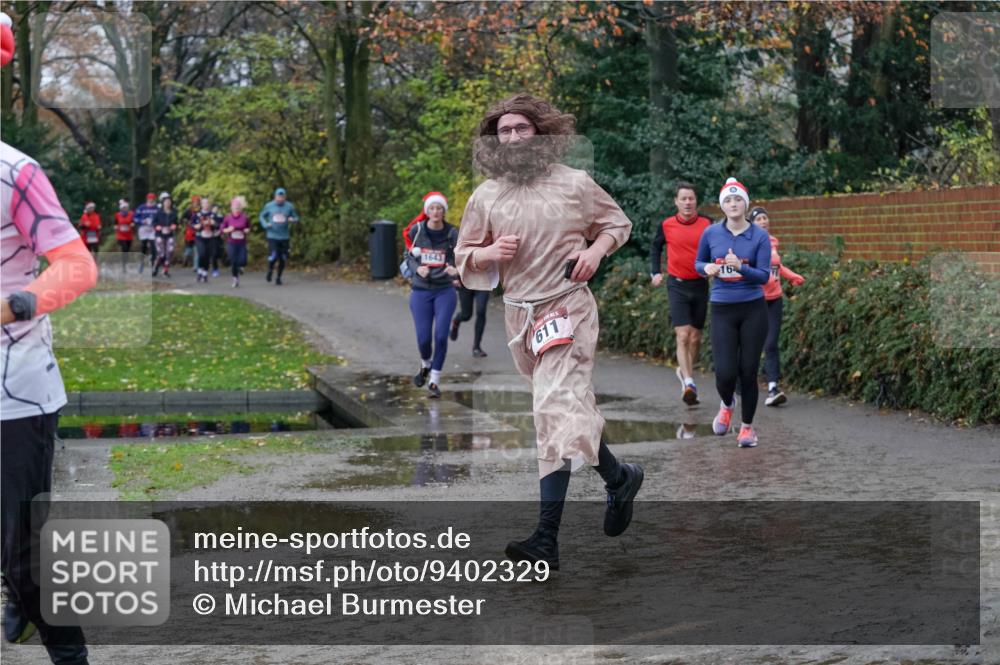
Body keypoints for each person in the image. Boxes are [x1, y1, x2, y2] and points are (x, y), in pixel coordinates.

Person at [455, 93, 643, 570]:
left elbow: (616, 223)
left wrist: (595, 253)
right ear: (494, 142)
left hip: (568, 308)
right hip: (520, 318)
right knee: (565, 412)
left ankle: (546, 538)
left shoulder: (575, 184)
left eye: (521, 128)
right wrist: (490, 253)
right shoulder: (486, 195)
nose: (513, 137)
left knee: (551, 410)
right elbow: (463, 257)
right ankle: (619, 478)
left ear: (540, 133)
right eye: (504, 131)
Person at [1, 12, 97, 664]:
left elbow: (76, 265)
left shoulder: (16, 173)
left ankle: (68, 651)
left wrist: (13, 304)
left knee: (23, 559)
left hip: (15, 396)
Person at [695, 178, 772, 448]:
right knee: (725, 372)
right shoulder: (711, 233)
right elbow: (698, 262)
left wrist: (740, 266)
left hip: (753, 307)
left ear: (745, 204)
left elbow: (763, 276)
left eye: (738, 199)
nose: (733, 204)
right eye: (728, 200)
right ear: (722, 205)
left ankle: (747, 428)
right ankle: (727, 404)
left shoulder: (759, 236)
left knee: (748, 371)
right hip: (722, 308)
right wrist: (706, 269)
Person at [649, 181, 712, 406]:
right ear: (676, 201)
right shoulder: (666, 225)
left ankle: (684, 371)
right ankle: (688, 382)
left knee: (696, 338)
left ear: (696, 201)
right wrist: (655, 271)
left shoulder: (707, 223)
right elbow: (656, 247)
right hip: (676, 284)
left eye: (691, 198)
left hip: (700, 284)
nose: (687, 202)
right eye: (683, 198)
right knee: (683, 335)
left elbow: (717, 246)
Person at [748, 206, 805, 407]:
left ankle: (773, 387)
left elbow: (777, 267)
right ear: (752, 223)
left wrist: (792, 276)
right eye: (759, 219)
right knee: (752, 344)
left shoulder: (772, 242)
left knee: (771, 343)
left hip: (775, 299)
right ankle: (743, 381)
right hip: (756, 300)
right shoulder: (748, 243)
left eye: (765, 218)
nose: (763, 222)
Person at [404, 192, 459, 398]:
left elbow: (462, 255)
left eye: (440, 208)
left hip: (445, 290)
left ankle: (434, 380)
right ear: (427, 211)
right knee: (424, 339)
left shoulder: (453, 232)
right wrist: (417, 268)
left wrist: (456, 268)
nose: (436, 212)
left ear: (444, 211)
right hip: (421, 291)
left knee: (441, 336)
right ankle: (425, 364)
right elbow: (408, 256)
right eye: (432, 208)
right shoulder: (417, 231)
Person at [259, 187, 300, 285]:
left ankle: (278, 277)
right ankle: (270, 270)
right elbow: (261, 216)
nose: (280, 199)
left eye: (282, 197)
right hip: (272, 235)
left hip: (284, 236)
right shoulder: (269, 206)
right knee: (273, 256)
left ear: (285, 197)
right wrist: (265, 224)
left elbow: (296, 217)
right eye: (279, 197)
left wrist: (293, 220)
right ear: (275, 196)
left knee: (283, 257)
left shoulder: (289, 206)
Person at [450, 281, 490, 358]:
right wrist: (454, 278)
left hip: (483, 281)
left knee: (481, 311)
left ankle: (476, 347)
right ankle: (456, 321)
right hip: (465, 281)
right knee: (466, 315)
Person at [222, 196, 250, 288]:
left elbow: (248, 227)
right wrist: (228, 230)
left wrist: (246, 230)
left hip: (241, 242)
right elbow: (222, 229)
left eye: (238, 207)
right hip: (232, 242)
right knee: (233, 260)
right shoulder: (228, 218)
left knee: (243, 260)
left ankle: (240, 267)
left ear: (241, 208)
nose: (237, 209)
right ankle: (235, 278)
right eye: (235, 207)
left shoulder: (245, 217)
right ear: (231, 208)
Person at [151, 193, 178, 278]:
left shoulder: (174, 212)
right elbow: (154, 222)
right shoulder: (158, 212)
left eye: (169, 202)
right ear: (163, 203)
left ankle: (166, 270)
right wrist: (157, 226)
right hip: (159, 235)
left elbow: (176, 223)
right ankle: (155, 267)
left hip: (169, 234)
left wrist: (175, 226)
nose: (167, 203)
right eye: (166, 202)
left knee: (169, 251)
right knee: (161, 253)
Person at [134, 191, 159, 272]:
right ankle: (141, 264)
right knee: (143, 247)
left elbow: (160, 218)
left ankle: (153, 265)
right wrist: (142, 221)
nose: (151, 200)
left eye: (152, 199)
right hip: (143, 229)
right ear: (147, 199)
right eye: (149, 198)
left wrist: (156, 223)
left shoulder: (157, 208)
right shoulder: (142, 207)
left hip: (153, 230)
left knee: (153, 247)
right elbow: (135, 218)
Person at [193, 196, 216, 283]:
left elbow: (219, 226)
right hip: (200, 237)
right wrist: (196, 226)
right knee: (201, 254)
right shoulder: (197, 214)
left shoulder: (212, 215)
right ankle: (199, 271)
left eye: (207, 203)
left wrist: (214, 224)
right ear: (201, 205)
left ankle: (205, 273)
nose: (206, 205)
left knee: (207, 256)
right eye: (204, 203)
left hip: (210, 237)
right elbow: (192, 224)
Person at [113, 199, 134, 272]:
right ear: (121, 208)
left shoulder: (131, 214)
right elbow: (115, 223)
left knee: (127, 250)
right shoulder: (117, 215)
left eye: (126, 208)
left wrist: (132, 224)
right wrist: (115, 226)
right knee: (124, 249)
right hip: (120, 235)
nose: (125, 209)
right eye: (123, 208)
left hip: (129, 235)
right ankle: (123, 266)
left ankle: (126, 263)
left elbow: (133, 221)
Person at [181, 195, 200, 269]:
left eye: (197, 201)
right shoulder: (188, 210)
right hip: (189, 232)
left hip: (198, 232)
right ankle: (185, 257)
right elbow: (182, 219)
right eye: (195, 201)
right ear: (192, 202)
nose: (196, 203)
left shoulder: (201, 210)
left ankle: (195, 267)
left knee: (197, 250)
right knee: (189, 250)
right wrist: (186, 222)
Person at [210, 203, 224, 277]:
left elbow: (223, 224)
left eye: (217, 208)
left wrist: (220, 231)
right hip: (211, 237)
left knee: (219, 252)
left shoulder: (220, 216)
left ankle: (217, 264)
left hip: (218, 237)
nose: (216, 210)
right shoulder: (209, 216)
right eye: (214, 208)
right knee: (214, 253)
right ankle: (215, 269)